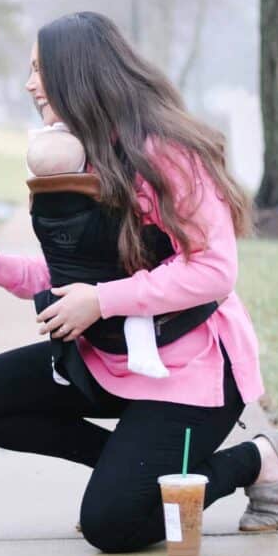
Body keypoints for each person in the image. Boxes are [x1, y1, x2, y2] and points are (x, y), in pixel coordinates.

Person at [0, 12, 278, 552]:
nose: (29, 84)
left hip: (192, 369)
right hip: (111, 360)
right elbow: (81, 276)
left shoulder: (167, 153)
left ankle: (257, 457)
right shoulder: (78, 153)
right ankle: (131, 475)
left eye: (40, 69)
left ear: (77, 73)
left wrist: (102, 300)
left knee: (115, 527)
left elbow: (212, 270)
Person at [27, 120, 173, 379]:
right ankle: (144, 352)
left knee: (60, 314)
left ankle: (59, 363)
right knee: (136, 308)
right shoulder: (91, 199)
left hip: (65, 284)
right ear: (83, 166)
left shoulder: (37, 208)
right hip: (108, 282)